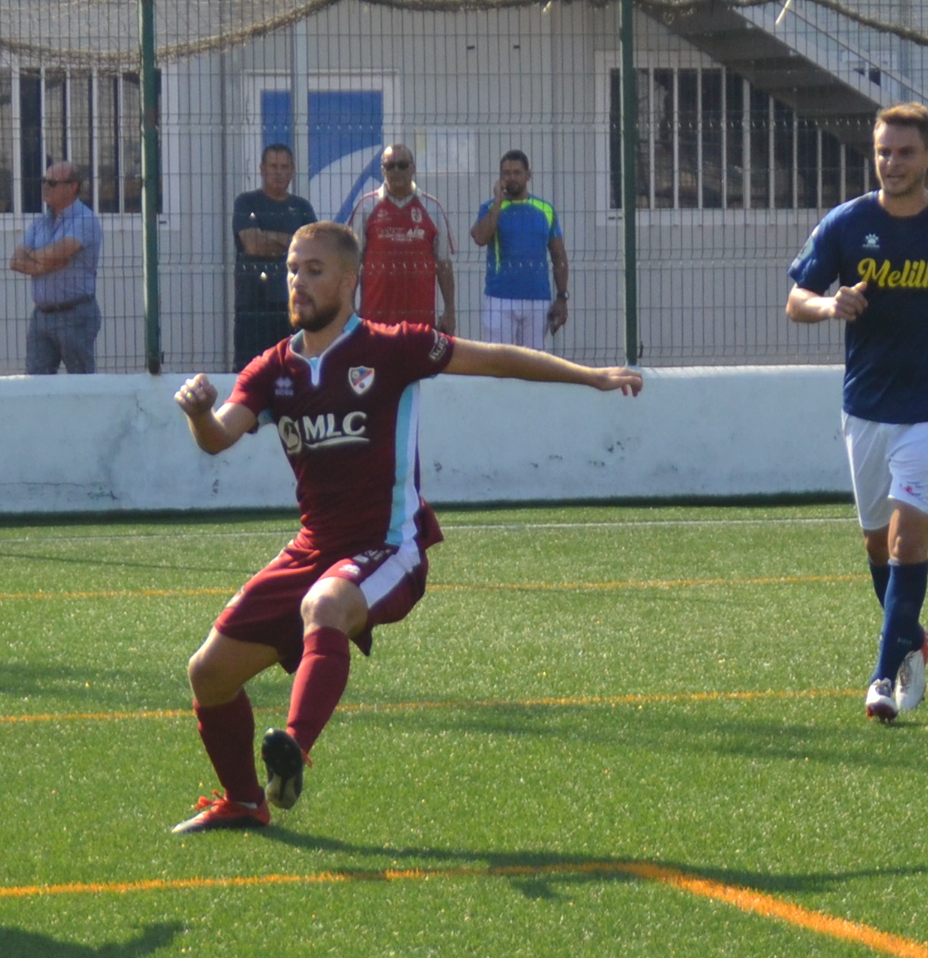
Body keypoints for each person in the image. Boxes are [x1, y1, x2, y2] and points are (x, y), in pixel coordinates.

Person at [168, 219, 642, 832]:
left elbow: (495, 359)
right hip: (313, 549)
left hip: (387, 547)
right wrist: (201, 414)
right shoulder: (272, 369)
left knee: (325, 604)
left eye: (313, 271)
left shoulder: (392, 346)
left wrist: (591, 376)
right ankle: (246, 801)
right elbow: (218, 439)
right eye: (292, 269)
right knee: (208, 673)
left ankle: (295, 747)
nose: (298, 282)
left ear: (349, 279)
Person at [782, 102, 928, 724]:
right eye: (884, 152)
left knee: (909, 537)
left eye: (905, 152)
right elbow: (795, 300)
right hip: (867, 405)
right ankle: (912, 638)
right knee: (877, 545)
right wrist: (830, 306)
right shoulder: (847, 224)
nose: (892, 163)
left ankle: (882, 678)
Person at [345, 143, 454, 332]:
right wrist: (348, 309)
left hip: (420, 323)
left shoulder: (432, 208)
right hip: (375, 322)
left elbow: (444, 264)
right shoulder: (366, 207)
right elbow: (351, 264)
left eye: (402, 165)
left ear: (413, 168)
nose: (396, 171)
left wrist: (450, 311)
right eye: (390, 166)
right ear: (382, 170)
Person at [13, 158, 104, 374]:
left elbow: (61, 251)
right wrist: (44, 264)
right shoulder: (41, 222)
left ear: (73, 187)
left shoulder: (86, 220)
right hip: (41, 316)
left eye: (52, 183)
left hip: (75, 314)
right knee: (36, 383)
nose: (45, 186)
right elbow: (16, 260)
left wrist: (33, 257)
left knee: (81, 381)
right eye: (44, 181)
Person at [467, 151, 566, 347]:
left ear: (528, 175)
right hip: (499, 299)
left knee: (534, 368)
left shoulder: (545, 209)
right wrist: (498, 202)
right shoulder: (490, 208)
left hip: (537, 299)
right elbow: (480, 237)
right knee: (499, 367)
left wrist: (562, 297)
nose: (511, 177)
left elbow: (559, 256)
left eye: (517, 172)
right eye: (506, 173)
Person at [232, 142, 314, 372]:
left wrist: (268, 235)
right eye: (273, 166)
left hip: (292, 306)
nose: (278, 172)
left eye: (284, 167)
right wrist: (292, 242)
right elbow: (253, 245)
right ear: (262, 169)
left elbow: (311, 249)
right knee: (251, 373)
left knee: (292, 372)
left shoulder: (302, 208)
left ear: (292, 170)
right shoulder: (246, 203)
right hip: (252, 306)